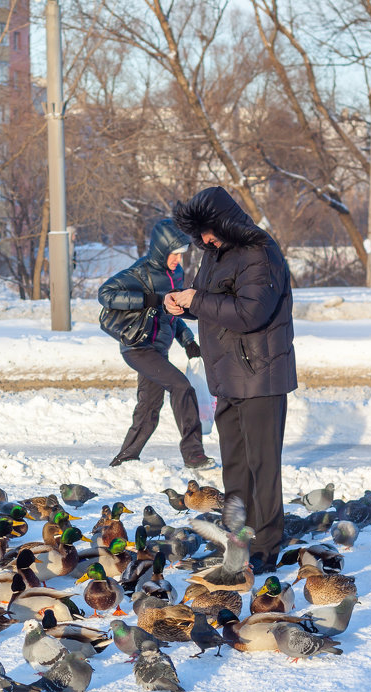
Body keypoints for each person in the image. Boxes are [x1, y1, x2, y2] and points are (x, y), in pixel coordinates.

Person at [164, 187, 296, 571]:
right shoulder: (215, 255)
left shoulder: (260, 251)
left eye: (209, 230)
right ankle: (237, 538)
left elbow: (250, 312)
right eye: (200, 234)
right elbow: (212, 303)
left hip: (261, 376)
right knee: (235, 465)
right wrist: (183, 304)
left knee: (262, 466)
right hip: (227, 376)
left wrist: (196, 300)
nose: (205, 239)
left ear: (224, 221)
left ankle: (267, 544)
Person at [98, 219, 215, 470]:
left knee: (150, 405)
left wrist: (188, 341)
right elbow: (105, 294)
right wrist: (148, 299)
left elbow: (171, 313)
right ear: (162, 250)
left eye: (181, 254)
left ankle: (125, 459)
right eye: (173, 254)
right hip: (138, 347)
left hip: (158, 349)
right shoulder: (140, 272)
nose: (177, 259)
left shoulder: (176, 274)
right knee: (182, 387)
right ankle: (193, 454)